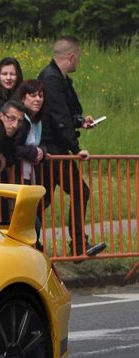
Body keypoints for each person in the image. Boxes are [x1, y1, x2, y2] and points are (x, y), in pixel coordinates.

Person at [38, 36, 105, 257]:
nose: (79, 62)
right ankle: (77, 245)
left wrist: (80, 121)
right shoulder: (51, 79)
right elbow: (58, 118)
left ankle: (24, 240)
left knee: (43, 199)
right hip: (52, 149)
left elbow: (65, 115)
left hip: (53, 149)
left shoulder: (59, 79)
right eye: (79, 57)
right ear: (71, 56)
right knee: (79, 192)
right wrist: (76, 149)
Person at [12, 80, 49, 247]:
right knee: (27, 221)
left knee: (33, 219)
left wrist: (42, 151)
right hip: (16, 176)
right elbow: (13, 147)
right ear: (22, 98)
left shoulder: (36, 121)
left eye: (40, 96)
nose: (37, 99)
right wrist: (34, 152)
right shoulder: (20, 120)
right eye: (33, 95)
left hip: (29, 175)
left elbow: (38, 144)